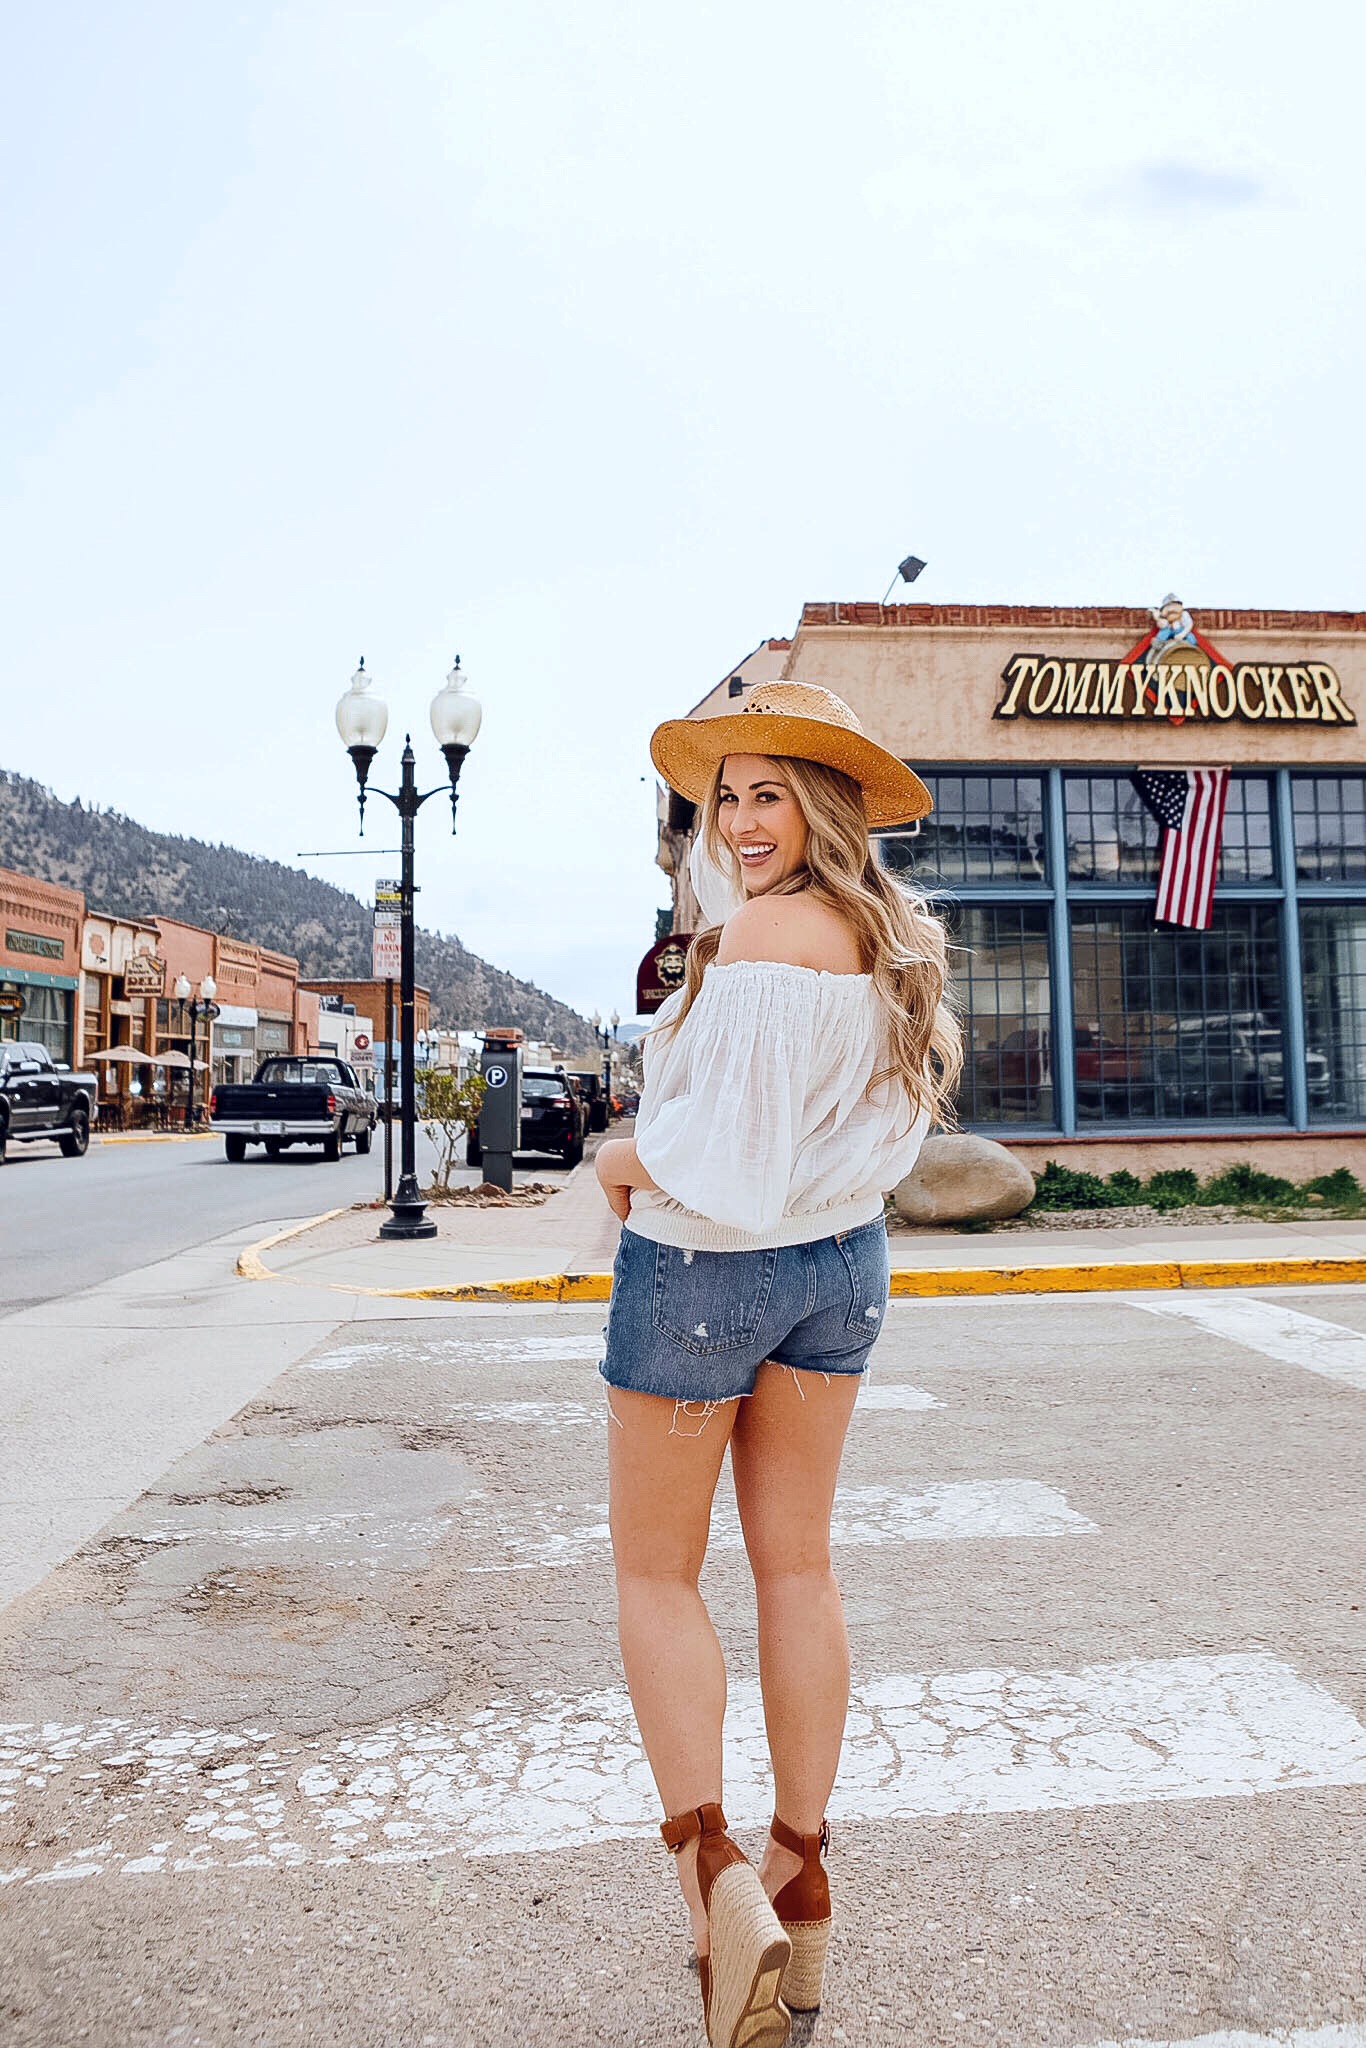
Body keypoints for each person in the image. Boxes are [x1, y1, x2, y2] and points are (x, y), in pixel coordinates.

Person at [594, 681, 960, 2047]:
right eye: (725, 794)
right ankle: (800, 1872)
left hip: (704, 1272)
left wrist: (620, 1157)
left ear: (820, 807)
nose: (740, 822)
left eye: (768, 795)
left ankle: (714, 1897)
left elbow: (719, 1170)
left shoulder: (758, 938)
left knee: (654, 1572)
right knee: (797, 1565)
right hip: (840, 1271)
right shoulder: (881, 942)